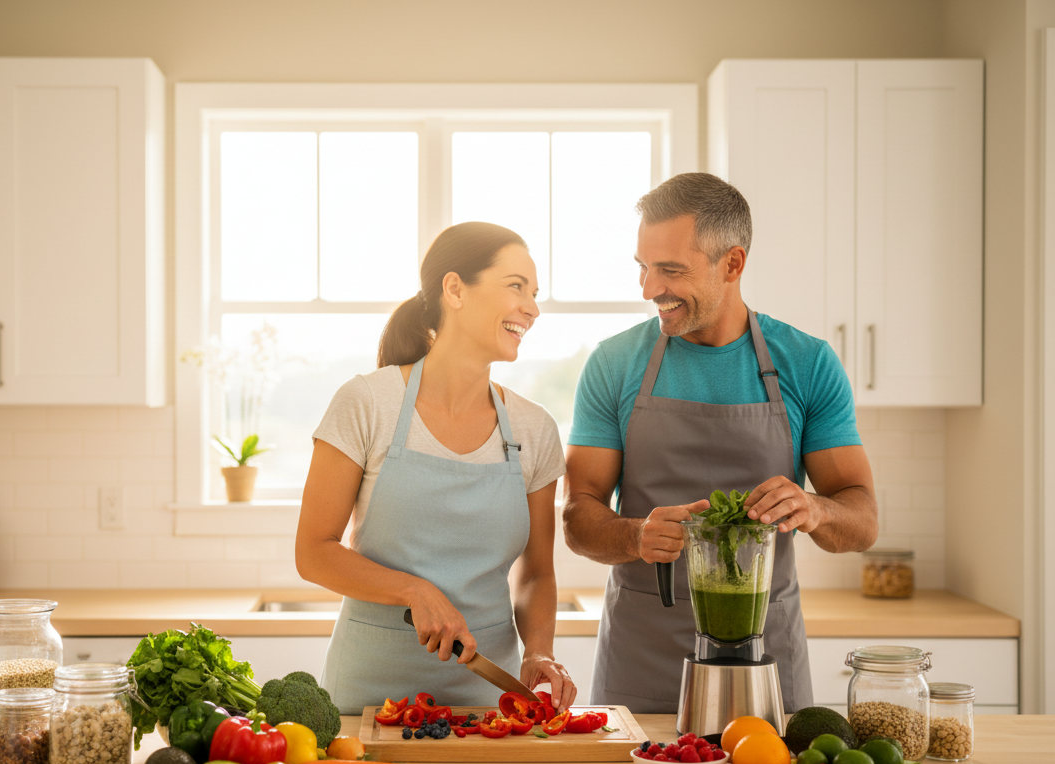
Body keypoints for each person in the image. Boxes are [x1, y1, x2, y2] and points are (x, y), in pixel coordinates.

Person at [563, 173, 878, 714]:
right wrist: (636, 534)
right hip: (642, 666)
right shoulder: (614, 364)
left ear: (732, 264)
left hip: (765, 666)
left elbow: (863, 520)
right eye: (642, 267)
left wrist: (814, 509)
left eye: (671, 270)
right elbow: (577, 516)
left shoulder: (807, 362)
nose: (647, 289)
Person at [297, 221, 575, 715]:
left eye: (534, 293)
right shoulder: (368, 402)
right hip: (366, 702)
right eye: (516, 286)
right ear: (454, 289)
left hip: (489, 702)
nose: (531, 308)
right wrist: (412, 589)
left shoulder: (534, 430)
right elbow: (313, 553)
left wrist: (540, 651)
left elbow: (536, 573)